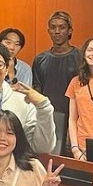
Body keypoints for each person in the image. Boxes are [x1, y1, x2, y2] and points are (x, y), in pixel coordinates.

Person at [31, 11, 81, 152]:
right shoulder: (40, 59)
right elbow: (37, 91)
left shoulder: (80, 57)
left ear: (69, 30)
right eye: (53, 28)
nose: (57, 31)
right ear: (48, 31)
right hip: (48, 117)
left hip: (74, 118)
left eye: (62, 27)